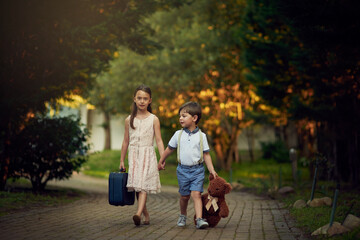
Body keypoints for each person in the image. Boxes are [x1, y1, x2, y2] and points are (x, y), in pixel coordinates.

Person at [158, 101, 218, 229]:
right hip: (182, 170)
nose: (180, 118)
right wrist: (161, 160)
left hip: (197, 170)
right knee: (184, 196)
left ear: (194, 118)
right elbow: (169, 149)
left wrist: (211, 170)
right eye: (180, 116)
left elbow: (206, 155)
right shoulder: (178, 135)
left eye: (184, 116)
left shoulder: (202, 136)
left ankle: (200, 219)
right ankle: (183, 215)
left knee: (196, 194)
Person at [119, 84, 165, 226]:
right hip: (134, 156)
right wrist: (122, 160)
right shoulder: (129, 120)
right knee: (138, 187)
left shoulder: (154, 119)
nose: (142, 101)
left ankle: (137, 214)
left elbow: (158, 140)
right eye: (139, 98)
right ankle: (145, 214)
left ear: (150, 100)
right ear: (134, 99)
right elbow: (125, 141)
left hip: (148, 155)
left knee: (143, 186)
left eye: (145, 98)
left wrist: (162, 159)